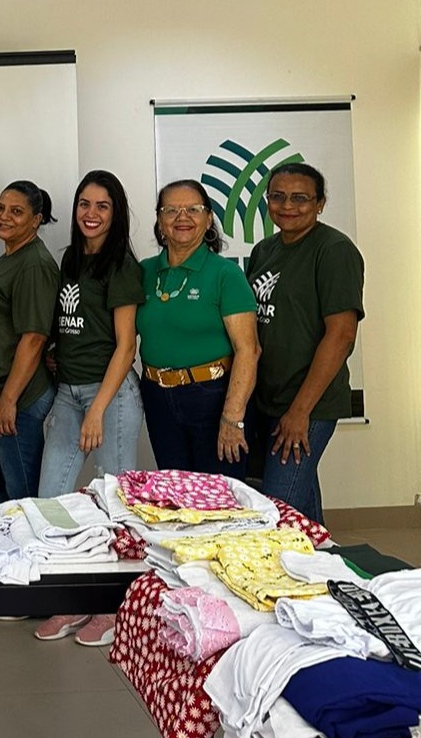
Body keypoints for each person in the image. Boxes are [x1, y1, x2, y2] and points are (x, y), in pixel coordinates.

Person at [33, 171, 145, 647]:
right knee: (52, 501)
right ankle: (72, 598)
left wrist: (98, 409)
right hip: (69, 391)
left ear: (115, 213)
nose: (91, 213)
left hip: (110, 395)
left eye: (102, 206)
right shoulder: (70, 259)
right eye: (84, 204)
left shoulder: (122, 266)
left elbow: (125, 346)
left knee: (114, 502)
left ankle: (112, 607)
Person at [246, 163, 363, 523]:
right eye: (278, 196)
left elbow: (341, 335)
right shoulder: (264, 251)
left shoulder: (334, 250)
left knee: (277, 511)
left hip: (308, 404)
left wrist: (300, 411)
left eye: (300, 198)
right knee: (300, 503)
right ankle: (323, 555)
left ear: (320, 203)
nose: (287, 206)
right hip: (268, 400)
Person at [136, 180, 259, 477]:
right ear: (159, 221)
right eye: (171, 210)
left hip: (212, 398)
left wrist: (232, 418)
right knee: (176, 491)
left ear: (208, 218)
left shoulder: (225, 274)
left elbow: (249, 350)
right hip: (157, 396)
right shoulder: (143, 271)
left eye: (193, 209)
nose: (182, 217)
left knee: (217, 496)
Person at [0, 180, 58, 506]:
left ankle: (30, 536)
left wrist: (9, 399)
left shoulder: (34, 264)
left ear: (36, 220)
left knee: (24, 496)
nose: (4, 216)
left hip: (18, 396)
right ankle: (12, 529)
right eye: (0, 208)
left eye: (16, 211)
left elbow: (34, 338)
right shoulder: (9, 257)